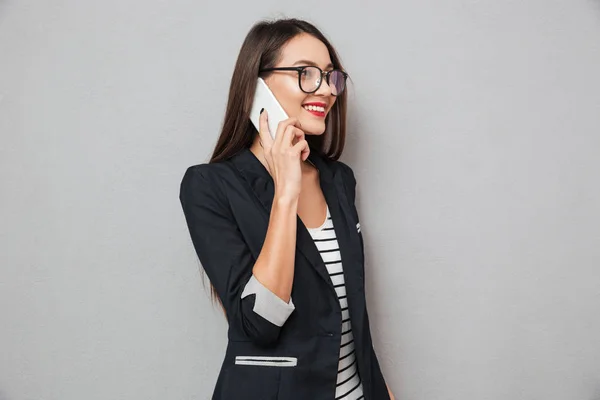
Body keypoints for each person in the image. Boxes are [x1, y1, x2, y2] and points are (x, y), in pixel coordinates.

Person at [179, 18, 395, 400]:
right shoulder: (208, 187)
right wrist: (286, 193)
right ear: (257, 86)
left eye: (330, 76)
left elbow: (353, 322)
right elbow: (259, 323)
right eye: (305, 73)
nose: (326, 90)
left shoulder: (339, 180)